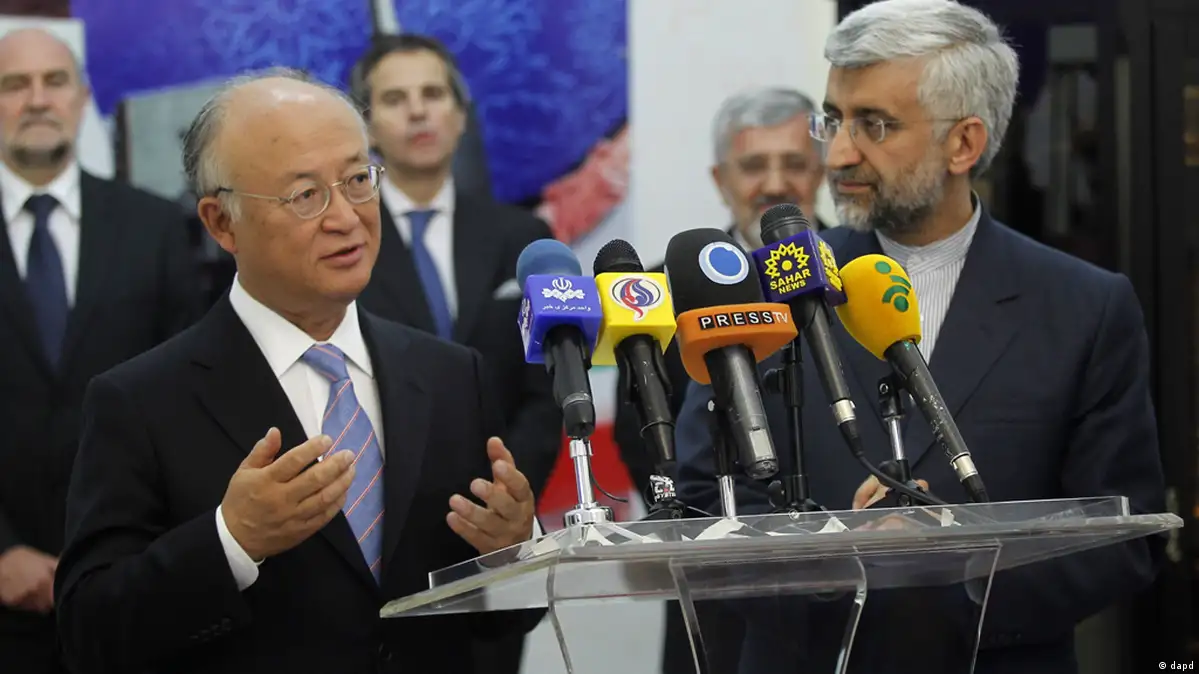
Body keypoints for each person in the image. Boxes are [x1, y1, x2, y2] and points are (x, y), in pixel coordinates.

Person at [673, 1, 1165, 673]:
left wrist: (953, 582)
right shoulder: (763, 288)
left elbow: (1121, 533)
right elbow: (705, 494)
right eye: (833, 120)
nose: (839, 153)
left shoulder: (1084, 306)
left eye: (874, 124)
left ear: (963, 144)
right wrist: (838, 568)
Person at [53, 69, 542, 674]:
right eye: (305, 195)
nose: (347, 218)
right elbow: (89, 632)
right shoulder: (141, 399)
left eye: (358, 180)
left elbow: (497, 622)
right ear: (221, 222)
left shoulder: (450, 375)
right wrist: (232, 540)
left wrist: (513, 552)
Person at [350, 35, 560, 674]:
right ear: (367, 126)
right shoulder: (343, 241)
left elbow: (545, 391)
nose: (418, 111)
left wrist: (502, 501)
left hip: (497, 537)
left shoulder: (522, 237)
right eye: (395, 99)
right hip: (380, 538)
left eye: (433, 94)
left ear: (461, 115)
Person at [0, 28, 202, 674]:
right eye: (14, 84)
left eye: (54, 81)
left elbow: (184, 398)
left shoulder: (154, 226)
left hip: (132, 586)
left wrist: (138, 550)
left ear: (83, 97)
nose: (37, 99)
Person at [611, 86, 827, 674]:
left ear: (821, 171)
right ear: (720, 178)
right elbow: (638, 427)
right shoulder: (654, 290)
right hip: (713, 586)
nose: (775, 183)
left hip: (840, 579)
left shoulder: (850, 276)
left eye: (794, 163)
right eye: (754, 165)